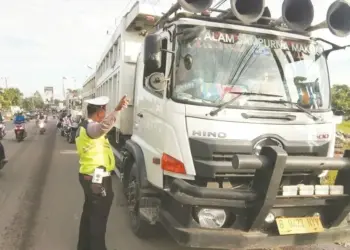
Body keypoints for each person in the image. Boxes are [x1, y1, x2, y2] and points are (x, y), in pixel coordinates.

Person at [76, 95, 129, 250]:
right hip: (96, 179)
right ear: (99, 112)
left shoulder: (84, 125)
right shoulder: (91, 128)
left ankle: (84, 246)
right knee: (98, 219)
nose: (105, 113)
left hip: (90, 177)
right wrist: (117, 110)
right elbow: (101, 129)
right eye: (104, 110)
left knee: (89, 215)